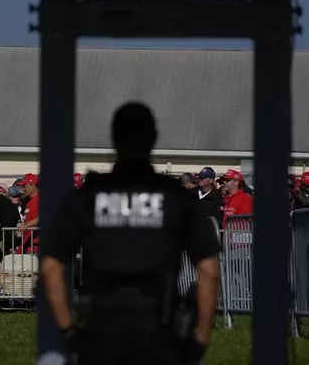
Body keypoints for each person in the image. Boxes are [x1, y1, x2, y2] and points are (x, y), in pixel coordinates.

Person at [40, 101, 221, 365]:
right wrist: (200, 337)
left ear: (114, 139)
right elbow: (208, 270)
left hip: (101, 330)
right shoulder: (176, 198)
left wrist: (69, 332)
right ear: (154, 138)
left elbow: (51, 267)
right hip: (160, 330)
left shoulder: (88, 196)